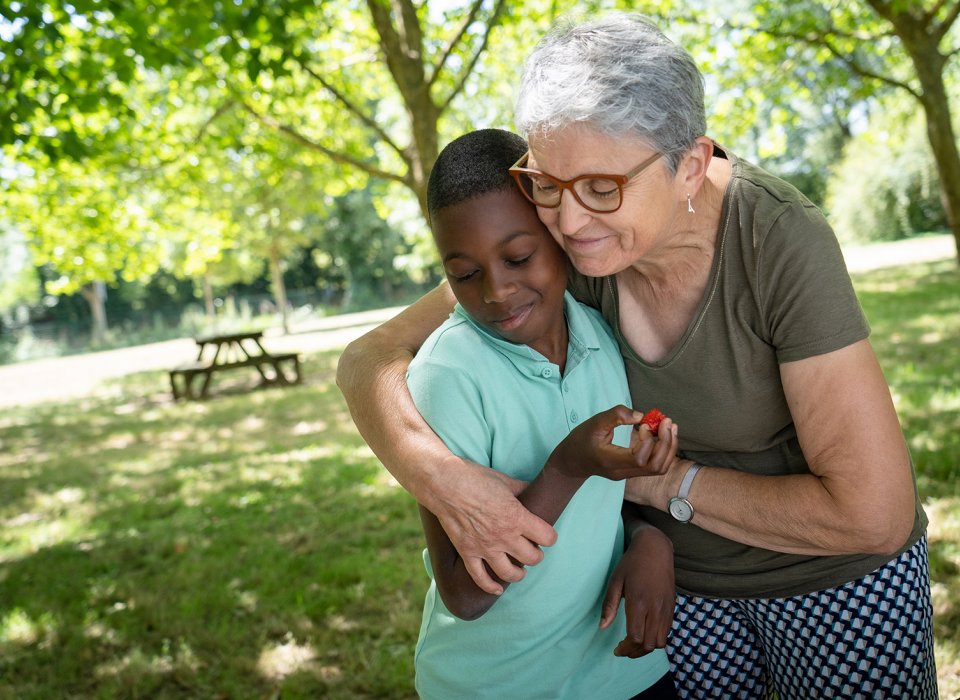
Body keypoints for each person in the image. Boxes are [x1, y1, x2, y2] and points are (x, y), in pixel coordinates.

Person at [337, 13, 938, 699]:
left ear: (689, 166)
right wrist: (440, 476)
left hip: (830, 576)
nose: (565, 221)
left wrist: (650, 489)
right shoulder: (561, 245)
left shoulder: (777, 240)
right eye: (545, 183)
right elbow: (368, 357)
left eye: (601, 188)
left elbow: (873, 514)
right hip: (681, 589)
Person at [408, 127, 677, 699]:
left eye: (519, 256)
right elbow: (466, 591)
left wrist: (650, 542)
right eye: (465, 274)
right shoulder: (447, 376)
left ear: (558, 236)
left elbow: (596, 512)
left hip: (620, 670)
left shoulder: (600, 335)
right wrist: (567, 465)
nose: (497, 291)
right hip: (500, 686)